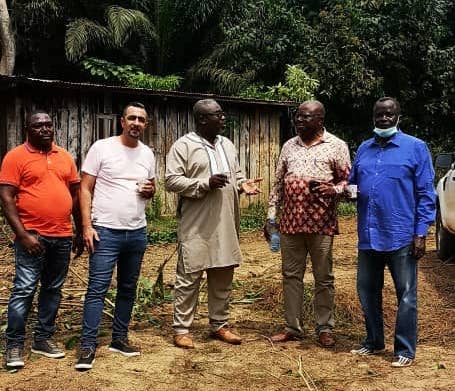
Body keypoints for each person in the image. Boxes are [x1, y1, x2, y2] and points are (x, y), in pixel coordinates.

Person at [165, 99, 261, 349]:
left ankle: (219, 324)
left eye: (222, 114)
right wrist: (204, 184)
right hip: (196, 224)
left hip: (225, 222)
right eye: (217, 115)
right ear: (202, 120)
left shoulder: (227, 144)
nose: (223, 118)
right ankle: (182, 329)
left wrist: (243, 184)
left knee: (223, 274)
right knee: (189, 276)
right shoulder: (184, 146)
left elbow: (236, 174)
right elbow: (171, 180)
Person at [349, 97, 435, 367]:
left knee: (406, 294)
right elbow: (353, 184)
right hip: (369, 234)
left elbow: (426, 194)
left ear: (398, 117)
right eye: (379, 114)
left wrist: (421, 233)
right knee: (366, 290)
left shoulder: (416, 148)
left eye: (389, 114)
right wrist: (347, 191)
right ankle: (374, 341)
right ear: (373, 117)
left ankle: (405, 350)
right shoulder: (364, 148)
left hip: (401, 235)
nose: (384, 119)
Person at [75, 102, 156, 370]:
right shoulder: (102, 148)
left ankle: (119, 339)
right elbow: (85, 189)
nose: (136, 123)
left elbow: (152, 187)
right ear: (122, 121)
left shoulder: (147, 154)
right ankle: (87, 346)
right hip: (105, 231)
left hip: (136, 231)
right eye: (132, 118)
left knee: (128, 288)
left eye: (141, 119)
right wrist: (87, 226)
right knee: (97, 289)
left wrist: (150, 191)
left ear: (145, 125)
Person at [0, 110, 83, 368]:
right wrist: (23, 235)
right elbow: (6, 197)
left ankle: (43, 339)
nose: (45, 129)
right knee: (24, 289)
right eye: (38, 126)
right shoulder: (15, 157)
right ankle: (14, 344)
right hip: (32, 237)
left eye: (48, 125)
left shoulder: (64, 156)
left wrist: (80, 230)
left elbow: (75, 195)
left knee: (53, 289)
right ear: (28, 129)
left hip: (62, 235)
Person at [266, 100, 351, 347]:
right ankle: (292, 327)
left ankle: (324, 328)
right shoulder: (289, 146)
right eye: (298, 117)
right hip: (290, 223)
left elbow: (349, 182)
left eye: (305, 117)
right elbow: (278, 184)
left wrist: (334, 189)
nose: (299, 121)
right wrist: (271, 217)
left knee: (323, 277)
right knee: (291, 276)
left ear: (320, 121)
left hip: (321, 224)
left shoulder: (336, 146)